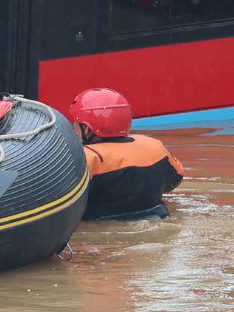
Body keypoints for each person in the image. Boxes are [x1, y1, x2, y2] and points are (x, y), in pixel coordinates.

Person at [70, 87, 184, 219]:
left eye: (75, 124)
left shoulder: (83, 159)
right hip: (156, 217)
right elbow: (174, 181)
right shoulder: (153, 147)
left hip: (102, 228)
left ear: (87, 129)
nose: (72, 127)